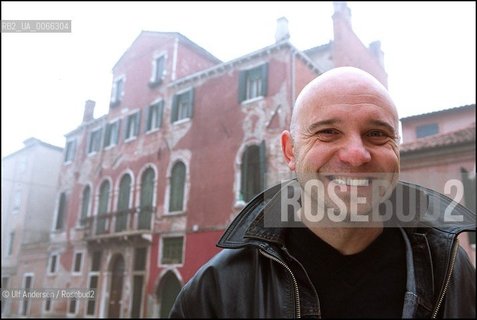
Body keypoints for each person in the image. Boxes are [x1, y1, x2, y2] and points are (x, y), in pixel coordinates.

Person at [169, 67, 476, 318]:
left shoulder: (451, 271)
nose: (356, 155)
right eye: (328, 132)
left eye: (376, 134)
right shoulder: (217, 290)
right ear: (290, 152)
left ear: (397, 149)